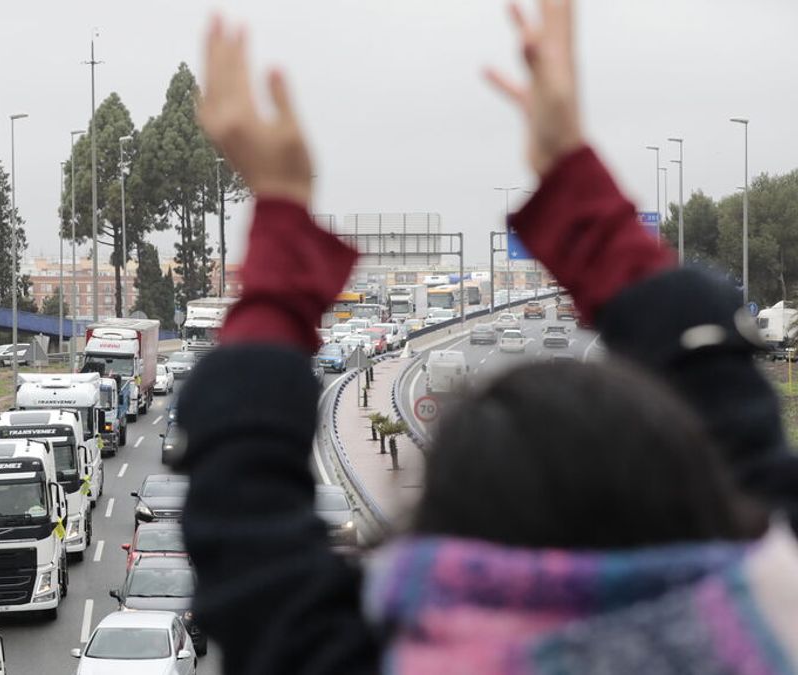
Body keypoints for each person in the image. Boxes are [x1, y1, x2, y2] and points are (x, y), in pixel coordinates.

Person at [176, 3, 798, 674]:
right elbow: (731, 408)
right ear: (695, 492)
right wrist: (575, 181)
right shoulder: (774, 619)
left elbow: (242, 524)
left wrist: (279, 217)